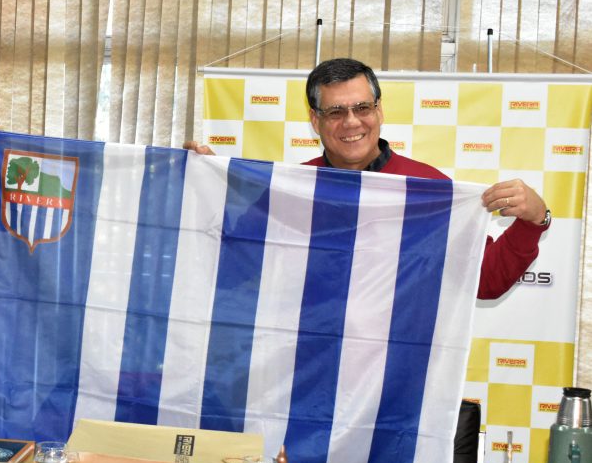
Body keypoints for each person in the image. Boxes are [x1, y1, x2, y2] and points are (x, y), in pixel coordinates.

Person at [185, 58, 550, 299]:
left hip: (398, 378)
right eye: (335, 112)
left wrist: (534, 220)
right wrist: (215, 188)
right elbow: (233, 270)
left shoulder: (427, 189)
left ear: (379, 111)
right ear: (315, 120)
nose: (351, 122)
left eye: (362, 107)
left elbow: (486, 280)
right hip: (303, 374)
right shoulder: (291, 189)